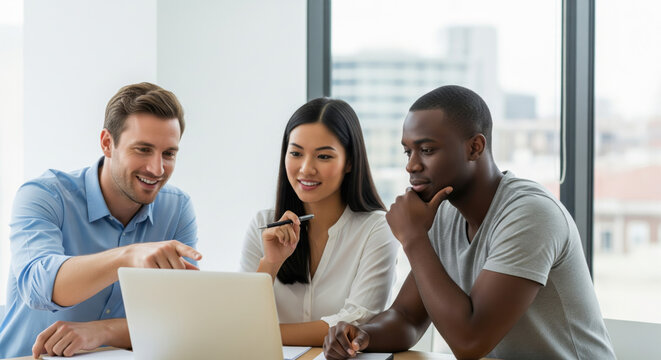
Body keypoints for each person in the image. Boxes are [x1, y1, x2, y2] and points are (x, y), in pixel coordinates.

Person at [322, 85, 616, 359]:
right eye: (408, 151)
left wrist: (413, 237)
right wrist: (362, 335)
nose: (411, 165)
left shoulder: (530, 214)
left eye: (426, 150)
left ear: (475, 147)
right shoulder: (443, 213)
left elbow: (470, 341)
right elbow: (407, 317)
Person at [0, 82, 202, 358]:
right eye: (143, 149)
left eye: (168, 154)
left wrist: (103, 331)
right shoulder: (43, 195)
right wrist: (128, 256)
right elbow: (39, 287)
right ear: (107, 143)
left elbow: (177, 319)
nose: (157, 169)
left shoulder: (177, 208)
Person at [240, 98, 398, 346]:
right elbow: (240, 318)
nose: (306, 169)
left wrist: (263, 334)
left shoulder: (376, 229)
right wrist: (271, 263)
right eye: (295, 153)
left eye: (323, 156)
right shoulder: (264, 223)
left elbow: (357, 322)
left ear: (349, 162)